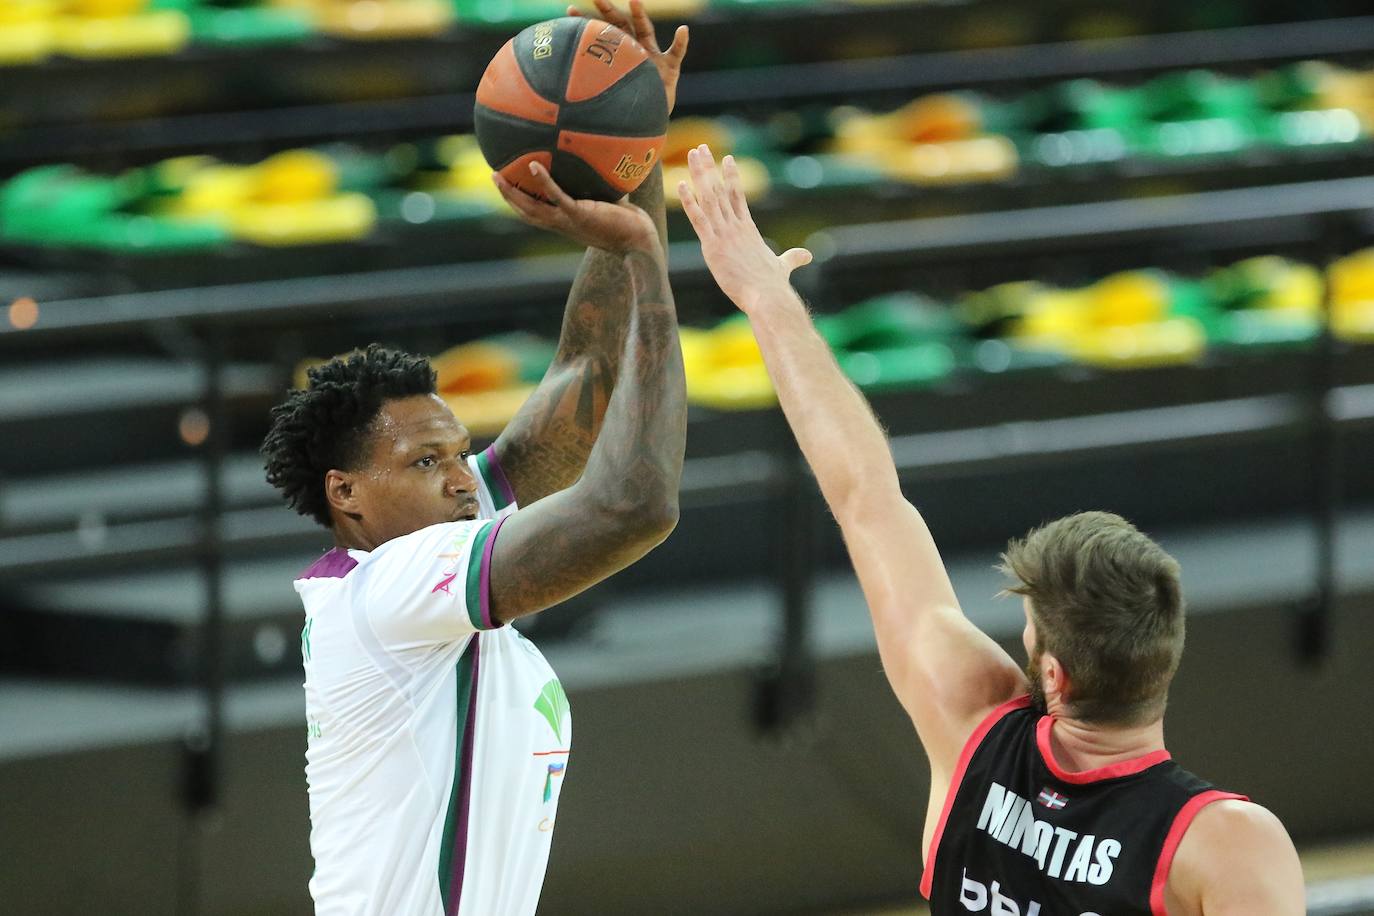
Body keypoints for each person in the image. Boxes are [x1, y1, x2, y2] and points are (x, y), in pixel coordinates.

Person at [678, 145, 1305, 915]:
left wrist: (766, 298)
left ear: (1054, 677)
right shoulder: (1226, 843)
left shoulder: (971, 723)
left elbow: (865, 495)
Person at [259, 5, 687, 912]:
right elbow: (635, 506)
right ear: (347, 495)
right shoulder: (386, 592)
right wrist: (648, 264)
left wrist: (633, 157)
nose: (463, 477)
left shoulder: (430, 538)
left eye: (461, 452)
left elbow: (589, 368)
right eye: (424, 463)